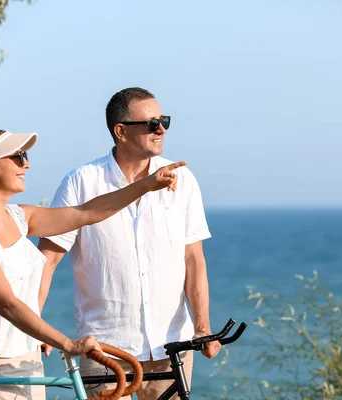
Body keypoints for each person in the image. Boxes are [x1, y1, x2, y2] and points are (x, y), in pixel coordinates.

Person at [0, 127, 184, 400]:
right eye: (17, 157)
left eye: (25, 156)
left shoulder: (19, 217)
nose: (27, 164)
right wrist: (67, 342)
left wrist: (146, 185)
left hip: (28, 363)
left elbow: (86, 212)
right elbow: (7, 304)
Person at [38, 87, 221, 399]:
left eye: (163, 120)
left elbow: (193, 259)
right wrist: (33, 327)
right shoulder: (81, 182)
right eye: (151, 123)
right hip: (105, 351)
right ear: (120, 131)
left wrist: (202, 328)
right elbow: (47, 260)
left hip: (172, 346)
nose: (161, 129)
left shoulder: (184, 180)